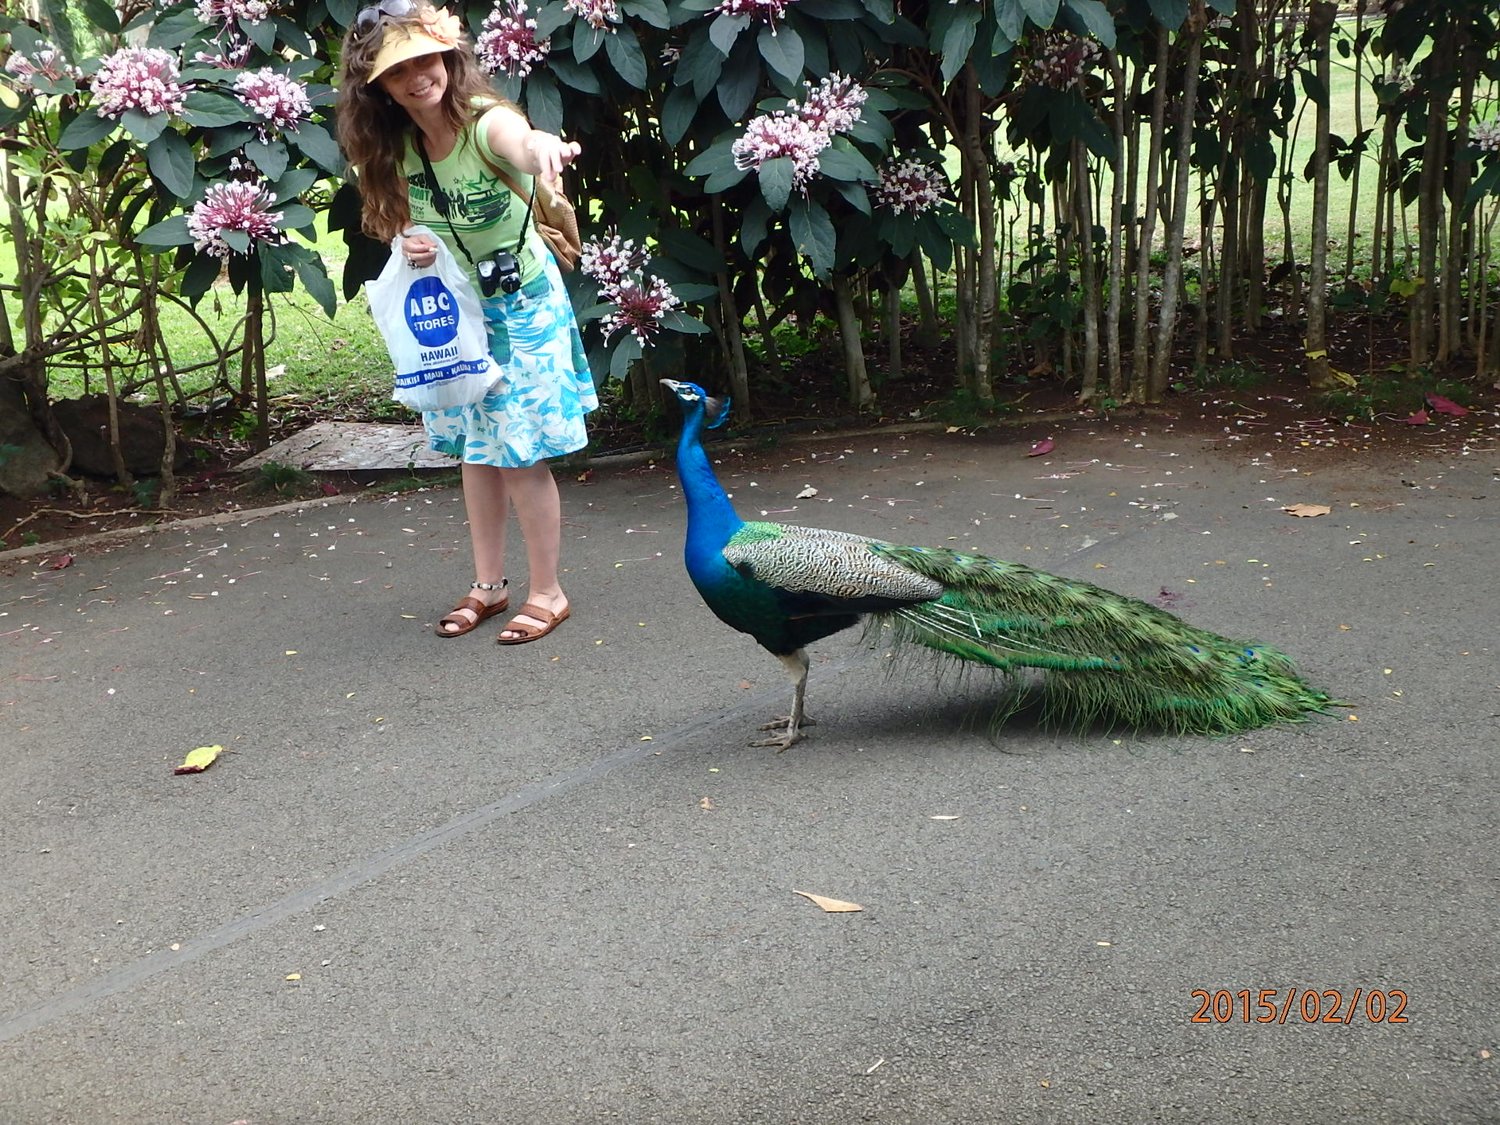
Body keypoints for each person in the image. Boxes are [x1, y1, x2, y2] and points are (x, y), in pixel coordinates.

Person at [336, 0, 595, 644]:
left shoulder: (486, 122)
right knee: (478, 452)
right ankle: (488, 585)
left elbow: (520, 142)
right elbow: (405, 223)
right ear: (381, 89)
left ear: (447, 56)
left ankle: (548, 591)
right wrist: (415, 244)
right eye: (400, 70)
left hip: (525, 305)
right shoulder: (395, 147)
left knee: (521, 453)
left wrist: (542, 149)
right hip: (460, 314)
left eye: (427, 59)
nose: (419, 75)